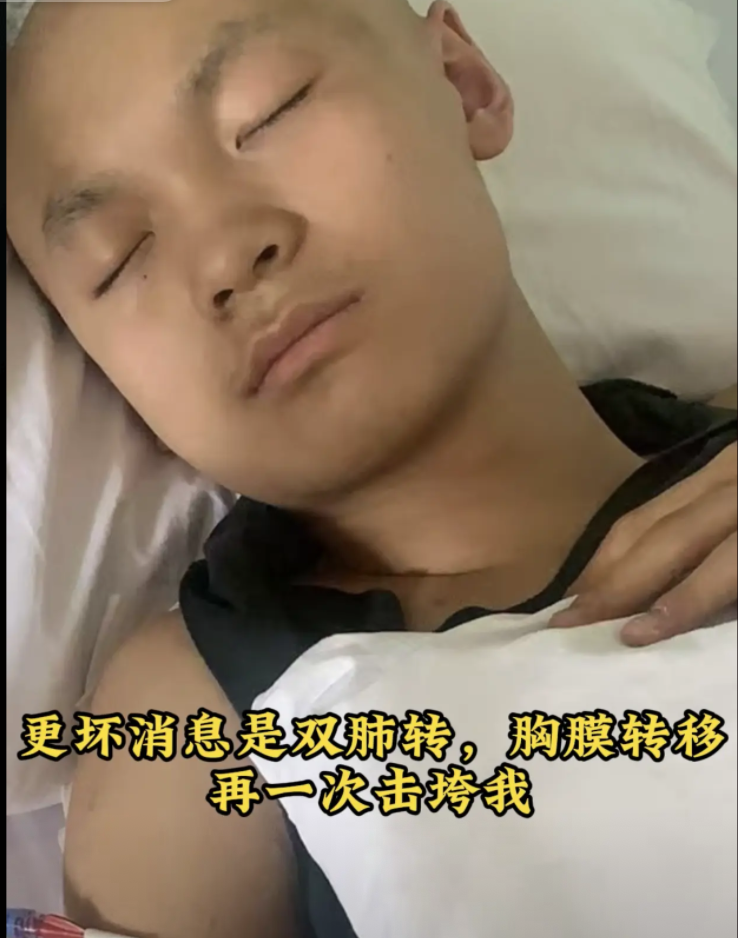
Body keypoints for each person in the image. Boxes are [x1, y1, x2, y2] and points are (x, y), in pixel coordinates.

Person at [5, 1, 736, 936]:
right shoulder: (198, 723)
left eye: (270, 111)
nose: (226, 256)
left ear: (464, 85)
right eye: (121, 258)